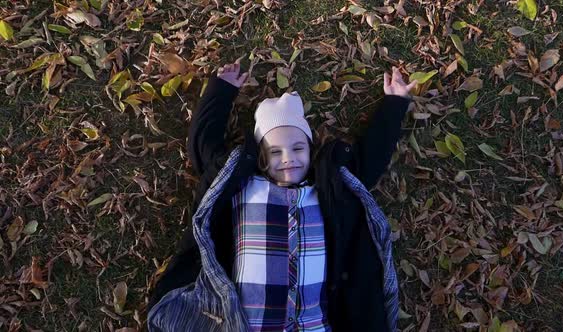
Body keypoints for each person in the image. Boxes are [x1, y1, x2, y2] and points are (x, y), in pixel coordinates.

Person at [147, 61, 417, 331]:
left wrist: (395, 103)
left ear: (311, 150)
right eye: (275, 152)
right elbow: (203, 146)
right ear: (262, 157)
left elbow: (370, 157)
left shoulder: (328, 188)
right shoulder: (242, 185)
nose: (288, 159)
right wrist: (221, 90)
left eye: (298, 148)